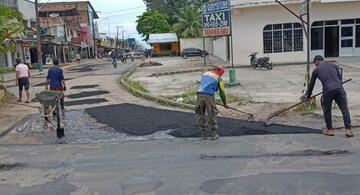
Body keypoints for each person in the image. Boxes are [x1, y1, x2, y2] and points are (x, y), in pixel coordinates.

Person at [304, 55, 353, 137]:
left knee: (327, 110)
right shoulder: (334, 65)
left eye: (315, 63)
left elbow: (311, 84)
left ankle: (330, 130)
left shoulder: (316, 70)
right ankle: (348, 130)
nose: (315, 65)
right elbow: (339, 78)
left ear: (316, 61)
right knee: (344, 109)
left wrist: (308, 96)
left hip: (328, 91)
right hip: (340, 89)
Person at [195, 65, 228, 140]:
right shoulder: (219, 78)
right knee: (211, 113)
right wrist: (225, 103)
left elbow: (205, 84)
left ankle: (203, 134)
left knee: (200, 113)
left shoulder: (205, 73)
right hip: (209, 96)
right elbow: (222, 92)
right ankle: (213, 134)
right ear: (220, 72)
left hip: (199, 94)